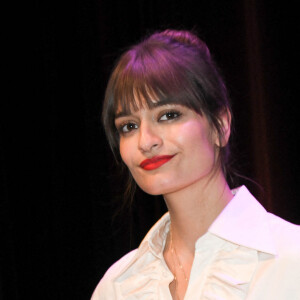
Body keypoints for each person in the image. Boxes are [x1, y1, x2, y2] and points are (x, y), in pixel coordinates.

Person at [91, 29, 300, 300]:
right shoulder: (118, 288)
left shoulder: (291, 260)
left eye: (168, 115)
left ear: (221, 125)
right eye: (129, 126)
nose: (146, 140)